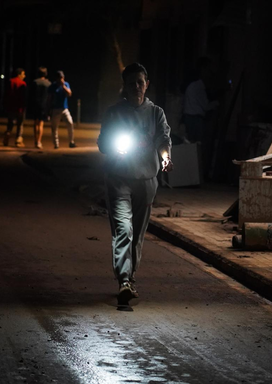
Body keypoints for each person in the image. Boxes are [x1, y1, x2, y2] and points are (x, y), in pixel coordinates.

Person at [97, 63, 173, 304]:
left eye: (140, 82)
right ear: (125, 86)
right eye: (132, 83)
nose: (137, 87)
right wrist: (113, 147)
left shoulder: (156, 113)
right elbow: (102, 143)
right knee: (124, 230)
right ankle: (124, 281)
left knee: (138, 233)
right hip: (119, 179)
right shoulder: (114, 112)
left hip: (147, 181)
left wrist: (165, 158)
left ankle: (131, 275)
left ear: (146, 84)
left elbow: (163, 139)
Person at [182, 57, 219, 143]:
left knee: (192, 144)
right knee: (197, 144)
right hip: (195, 119)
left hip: (190, 118)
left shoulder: (193, 84)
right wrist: (216, 103)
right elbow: (205, 106)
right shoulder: (198, 86)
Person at [47, 70, 76, 149]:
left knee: (70, 123)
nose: (61, 79)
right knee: (54, 127)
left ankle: (71, 142)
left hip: (64, 108)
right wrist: (48, 110)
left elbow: (69, 94)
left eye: (62, 77)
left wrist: (63, 86)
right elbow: (49, 99)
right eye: (59, 78)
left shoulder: (66, 84)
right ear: (56, 78)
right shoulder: (52, 86)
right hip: (55, 109)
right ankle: (56, 144)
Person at [3, 68, 27, 147]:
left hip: (11, 106)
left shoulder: (10, 81)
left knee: (10, 122)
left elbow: (6, 94)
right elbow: (23, 96)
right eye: (23, 74)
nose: (24, 76)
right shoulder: (22, 83)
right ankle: (18, 140)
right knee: (20, 124)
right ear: (19, 74)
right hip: (20, 107)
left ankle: (8, 133)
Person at [32, 67, 51, 149]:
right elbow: (50, 97)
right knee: (41, 124)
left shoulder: (35, 82)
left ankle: (36, 141)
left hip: (36, 104)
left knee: (35, 123)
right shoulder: (48, 84)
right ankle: (39, 141)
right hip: (44, 105)